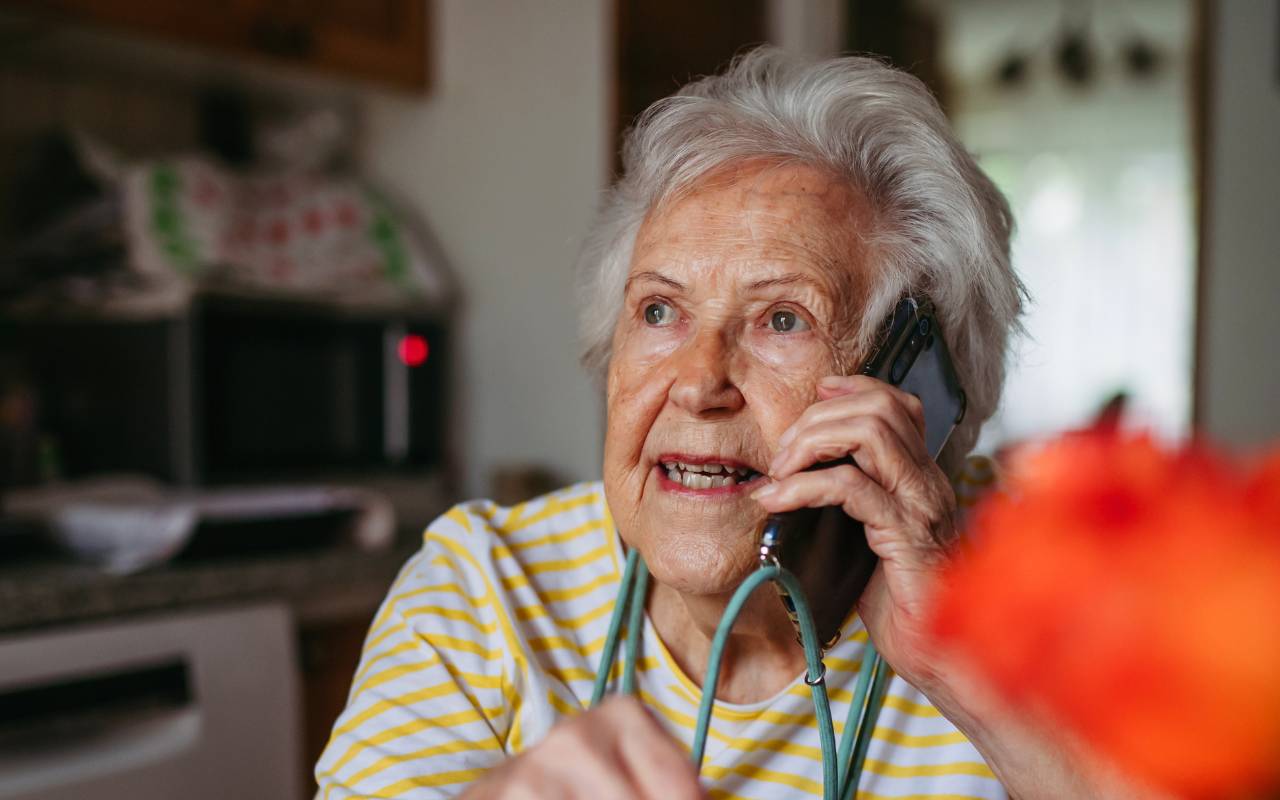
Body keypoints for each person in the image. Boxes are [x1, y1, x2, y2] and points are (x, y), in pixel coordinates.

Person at [315, 48, 1143, 799]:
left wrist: (973, 673)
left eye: (783, 320)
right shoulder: (486, 591)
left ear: (911, 390)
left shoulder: (1056, 574)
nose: (698, 382)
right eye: (659, 311)